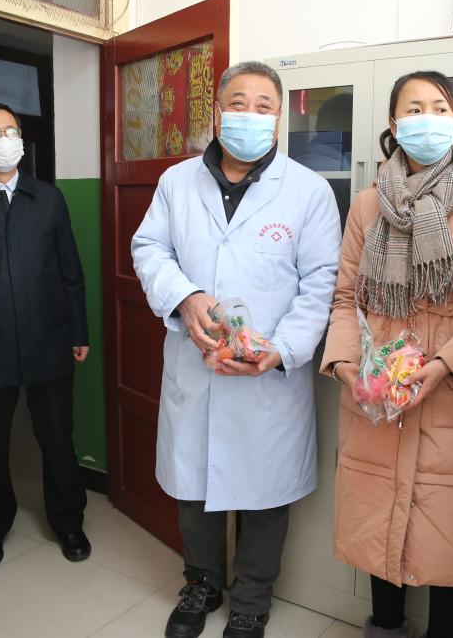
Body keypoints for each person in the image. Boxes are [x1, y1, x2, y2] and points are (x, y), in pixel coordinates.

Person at [131, 61, 342, 638]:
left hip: (267, 374)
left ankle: (251, 599)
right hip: (194, 363)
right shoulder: (176, 182)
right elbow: (149, 248)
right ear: (218, 113)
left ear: (279, 117)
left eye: (263, 105)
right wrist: (184, 297)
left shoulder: (308, 191)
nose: (250, 114)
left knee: (265, 496)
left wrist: (283, 350)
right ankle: (201, 583)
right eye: (238, 102)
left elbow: (321, 282)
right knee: (193, 487)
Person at [319, 71, 453, 638]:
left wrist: (445, 365)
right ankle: (384, 628)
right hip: (377, 392)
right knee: (379, 523)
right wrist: (348, 365)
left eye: (439, 107)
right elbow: (346, 297)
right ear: (393, 123)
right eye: (413, 109)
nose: (426, 119)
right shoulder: (367, 205)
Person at [0, 102, 91, 568]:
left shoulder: (48, 198)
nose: (5, 141)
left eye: (11, 132)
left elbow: (70, 270)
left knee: (57, 437)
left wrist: (78, 329)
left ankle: (69, 522)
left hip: (49, 337)